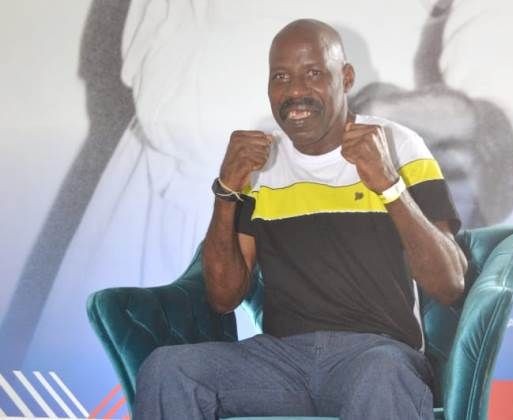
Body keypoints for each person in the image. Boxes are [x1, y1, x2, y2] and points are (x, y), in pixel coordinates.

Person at [134, 19, 467, 420]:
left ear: (346, 78)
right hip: (279, 360)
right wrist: (226, 190)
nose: (295, 92)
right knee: (168, 369)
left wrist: (389, 186)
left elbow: (449, 284)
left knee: (383, 374)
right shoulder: (259, 161)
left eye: (313, 74)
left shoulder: (399, 146)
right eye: (281, 77)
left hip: (375, 352)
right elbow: (223, 297)